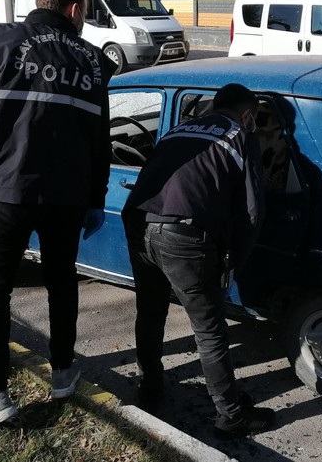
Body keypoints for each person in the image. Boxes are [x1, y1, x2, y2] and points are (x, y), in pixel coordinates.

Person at [0, 0, 116, 429]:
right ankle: (64, 373)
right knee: (61, 284)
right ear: (74, 10)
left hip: (7, 191)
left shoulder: (1, 40)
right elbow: (99, 141)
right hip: (66, 198)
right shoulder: (96, 63)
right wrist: (96, 198)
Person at [121, 83, 274, 437]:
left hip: (138, 223)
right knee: (209, 331)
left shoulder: (178, 129)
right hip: (184, 237)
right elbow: (253, 211)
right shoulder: (240, 135)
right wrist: (234, 261)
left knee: (150, 310)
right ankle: (231, 416)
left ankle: (151, 386)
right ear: (248, 114)